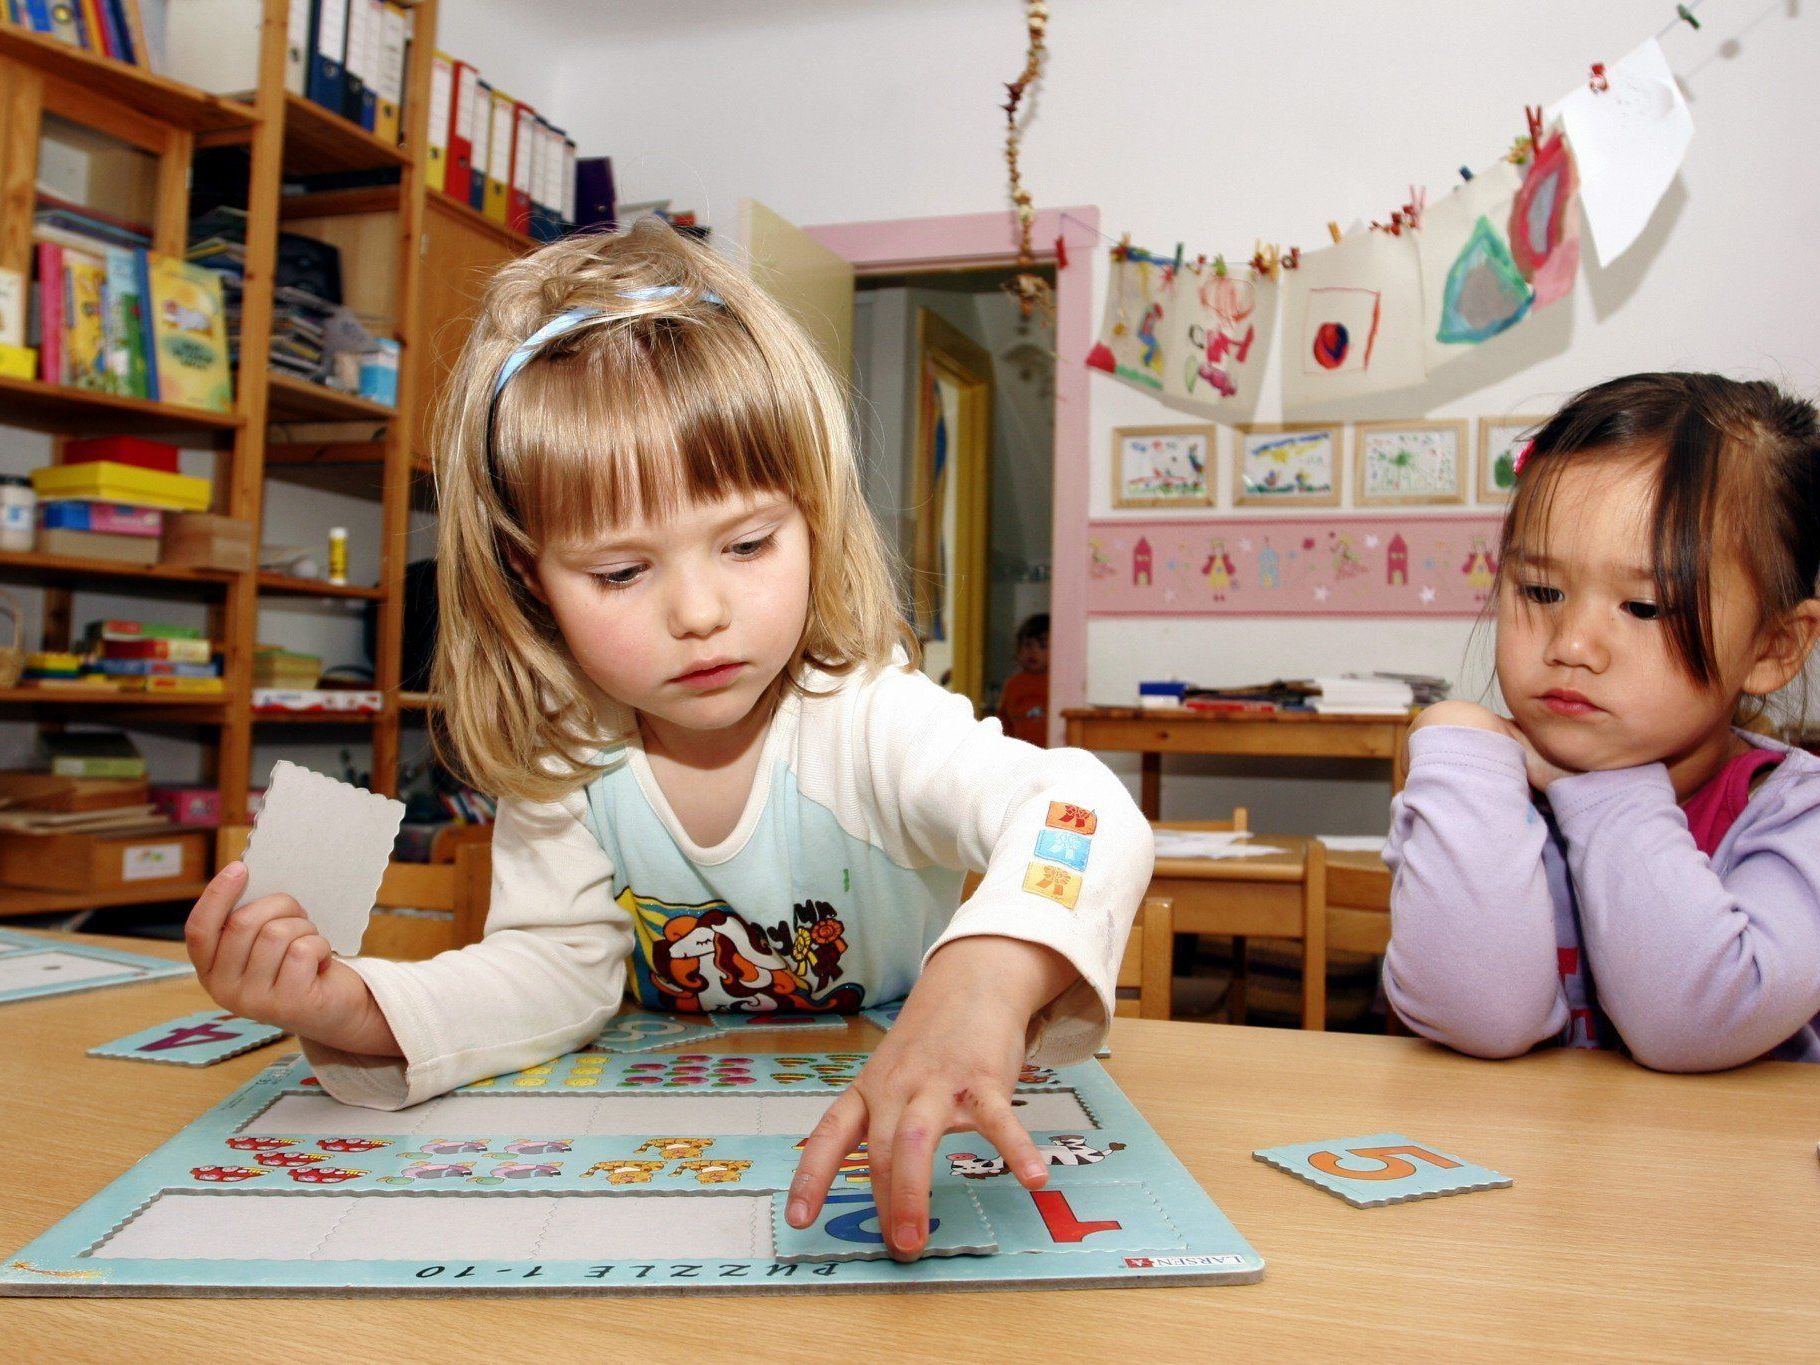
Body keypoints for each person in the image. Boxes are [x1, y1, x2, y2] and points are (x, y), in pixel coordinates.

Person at [183, 220, 1153, 1258]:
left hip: (901, 1127)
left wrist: (984, 981)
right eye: (617, 572)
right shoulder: (566, 755)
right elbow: (551, 974)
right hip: (671, 1166)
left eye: (745, 543)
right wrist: (354, 1007)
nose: (698, 611)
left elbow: (1080, 809)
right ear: (527, 579)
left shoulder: (864, 716)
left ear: (815, 518)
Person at [1385, 373, 1820, 1070]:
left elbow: (1691, 1024)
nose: (1571, 645)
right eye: (1541, 591)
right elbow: (1481, 1017)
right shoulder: (1484, 784)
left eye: (1645, 607)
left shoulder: (1798, 817)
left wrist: (1607, 790)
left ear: (1774, 647)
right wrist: (1461, 752)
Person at [998, 612, 1050, 746]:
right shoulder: (1013, 683)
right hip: (1019, 750)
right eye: (1028, 645)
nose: (1033, 651)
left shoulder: (1056, 682)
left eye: (1043, 646)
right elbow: (1004, 720)